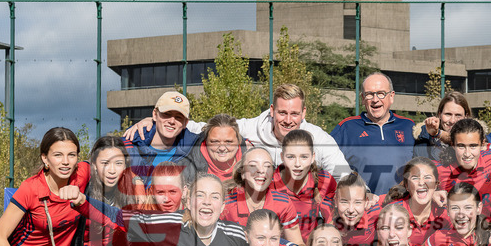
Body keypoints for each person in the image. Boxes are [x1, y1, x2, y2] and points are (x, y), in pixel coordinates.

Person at [124, 83, 351, 180]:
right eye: (282, 113)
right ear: (272, 110)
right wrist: (155, 121)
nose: (288, 120)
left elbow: (342, 172)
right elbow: (207, 128)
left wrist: (363, 194)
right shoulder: (251, 128)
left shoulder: (319, 139)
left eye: (294, 114)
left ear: (303, 113)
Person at [331, 72, 416, 196]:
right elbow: (327, 162)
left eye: (381, 93)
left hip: (402, 208)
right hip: (362, 209)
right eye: (369, 94)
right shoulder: (346, 128)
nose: (375, 100)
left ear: (391, 96)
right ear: (362, 98)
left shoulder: (408, 126)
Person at [123, 91, 200, 186]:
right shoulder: (129, 145)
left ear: (185, 123)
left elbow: (217, 130)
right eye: (166, 114)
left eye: (178, 117)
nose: (172, 121)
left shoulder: (192, 147)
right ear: (155, 114)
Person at [273, 129, 337, 239]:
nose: (297, 164)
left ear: (313, 157)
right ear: (282, 157)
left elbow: (335, 214)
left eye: (304, 157)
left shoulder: (324, 180)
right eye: (291, 157)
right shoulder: (270, 183)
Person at [436, 118, 491, 221]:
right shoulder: (439, 170)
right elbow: (407, 186)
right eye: (461, 146)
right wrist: (431, 194)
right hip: (455, 231)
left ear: (482, 144)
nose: (467, 153)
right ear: (453, 145)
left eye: (473, 146)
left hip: (488, 228)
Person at [320, 171, 382, 246]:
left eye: (358, 202)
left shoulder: (376, 212)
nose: (351, 210)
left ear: (366, 201)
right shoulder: (326, 207)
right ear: (336, 200)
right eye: (344, 202)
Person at [414, 92, 470, 162]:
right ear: (440, 114)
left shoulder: (479, 141)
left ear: (466, 117)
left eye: (458, 115)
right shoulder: (423, 139)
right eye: (448, 114)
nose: (452, 121)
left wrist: (438, 134)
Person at [189, 114, 242, 185]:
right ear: (206, 141)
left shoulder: (251, 162)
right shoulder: (189, 167)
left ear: (238, 141)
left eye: (228, 142)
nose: (222, 148)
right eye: (215, 142)